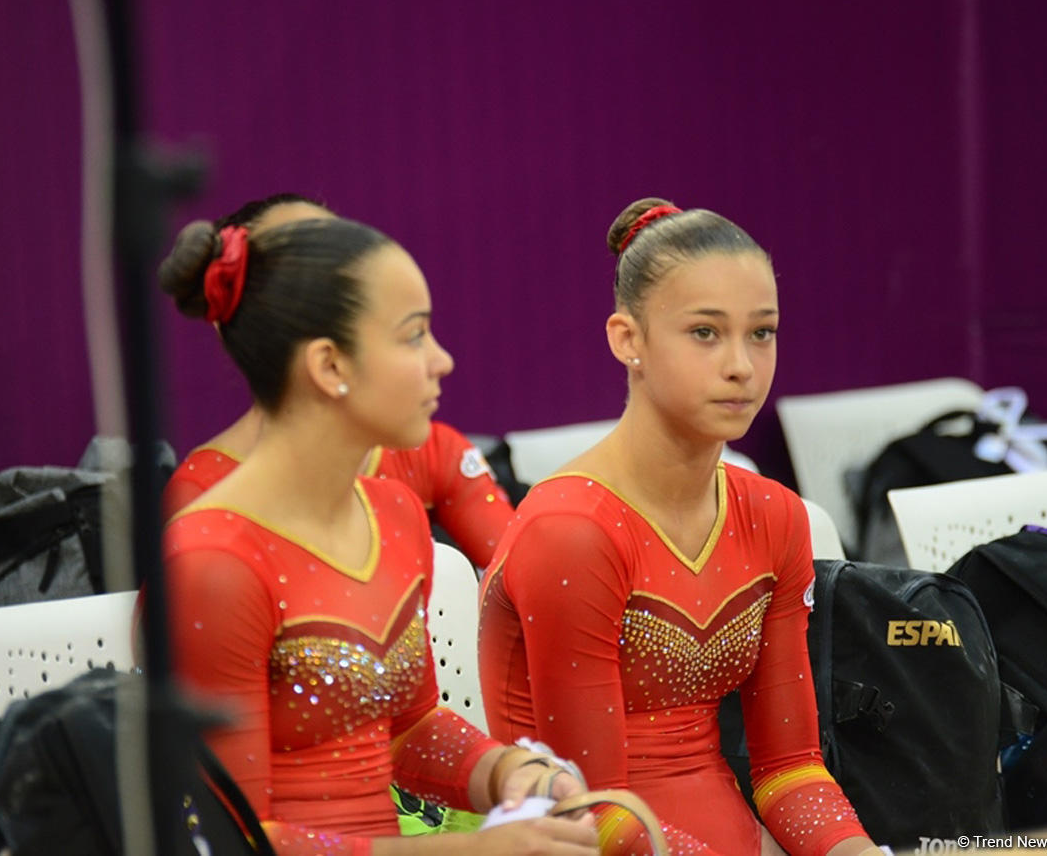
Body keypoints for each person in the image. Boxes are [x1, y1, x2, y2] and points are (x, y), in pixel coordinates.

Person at [157, 213, 598, 855]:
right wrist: (471, 851)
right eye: (414, 335)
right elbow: (238, 841)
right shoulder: (212, 561)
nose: (442, 360)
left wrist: (505, 771)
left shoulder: (393, 513)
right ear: (330, 364)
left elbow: (406, 729)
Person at [478, 198, 882, 856]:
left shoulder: (775, 516)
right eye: (705, 332)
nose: (741, 367)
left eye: (762, 332)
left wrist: (858, 853)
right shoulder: (572, 533)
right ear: (627, 339)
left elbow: (791, 771)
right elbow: (594, 811)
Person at [161, 194, 514, 570]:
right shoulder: (204, 504)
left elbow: (522, 586)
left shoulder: (418, 469)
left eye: (338, 252)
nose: (442, 361)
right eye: (294, 278)